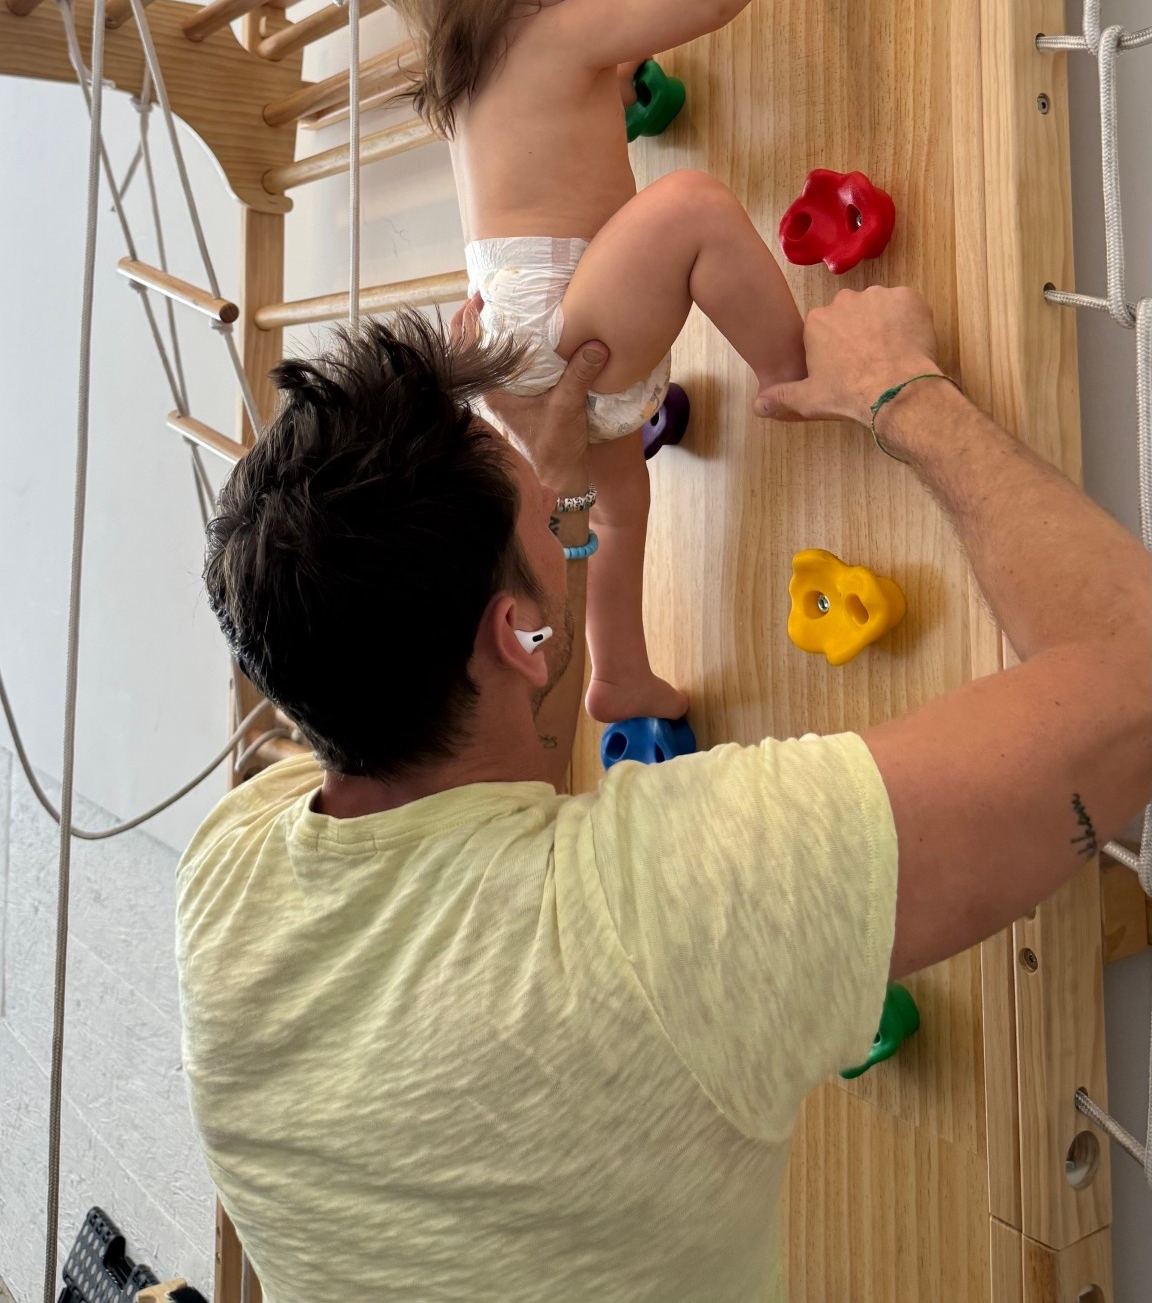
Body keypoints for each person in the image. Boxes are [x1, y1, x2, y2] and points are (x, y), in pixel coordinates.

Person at [176, 284, 1151, 1303]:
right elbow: (1136, 672)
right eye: (546, 518)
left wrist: (540, 524)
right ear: (516, 630)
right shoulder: (661, 917)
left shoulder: (227, 870)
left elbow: (484, 748)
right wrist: (900, 389)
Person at [401, 0, 855, 731]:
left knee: (618, 502)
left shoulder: (479, 71)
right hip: (556, 312)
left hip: (517, 325)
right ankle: (791, 372)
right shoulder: (563, 32)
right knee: (691, 204)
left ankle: (620, 671)